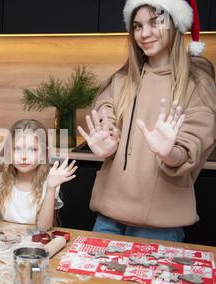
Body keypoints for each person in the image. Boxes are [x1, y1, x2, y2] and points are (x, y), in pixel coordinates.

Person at [77, 0, 216, 242]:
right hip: (108, 219)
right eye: (138, 26)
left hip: (160, 226)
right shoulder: (122, 79)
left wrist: (169, 153)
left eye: (155, 23)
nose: (145, 33)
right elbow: (104, 108)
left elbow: (193, 144)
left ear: (175, 24)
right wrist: (107, 138)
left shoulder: (198, 84)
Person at [0, 119, 77, 231]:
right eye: (17, 149)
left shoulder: (49, 182)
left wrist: (51, 189)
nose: (24, 156)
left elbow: (43, 228)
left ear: (44, 154)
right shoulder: (0, 179)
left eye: (32, 149)